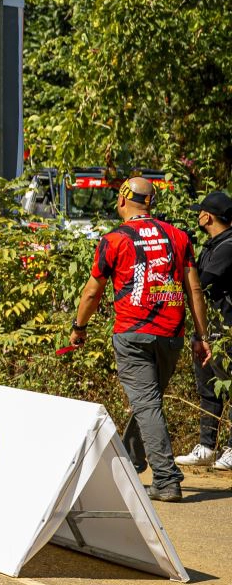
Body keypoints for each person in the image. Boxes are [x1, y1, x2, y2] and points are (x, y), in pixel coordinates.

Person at [69, 176, 212, 502]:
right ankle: (132, 460)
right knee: (149, 401)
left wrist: (79, 326)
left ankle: (166, 479)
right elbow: (195, 289)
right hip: (171, 335)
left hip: (133, 333)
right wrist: (201, 336)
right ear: (151, 203)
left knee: (146, 403)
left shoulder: (115, 239)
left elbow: (93, 292)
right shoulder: (178, 236)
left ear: (122, 200)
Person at [176, 190, 232, 470]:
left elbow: (203, 282)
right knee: (208, 387)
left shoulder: (228, 245)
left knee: (229, 386)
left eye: (200, 211)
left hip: (227, 328)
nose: (197, 215)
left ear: (207, 216)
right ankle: (207, 447)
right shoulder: (212, 244)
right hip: (208, 329)